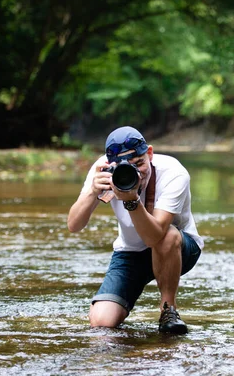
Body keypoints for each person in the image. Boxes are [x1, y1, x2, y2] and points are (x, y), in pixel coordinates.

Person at [67, 126, 203, 334]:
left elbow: (154, 236)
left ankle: (168, 310)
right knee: (101, 322)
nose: (136, 173)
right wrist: (93, 192)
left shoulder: (174, 173)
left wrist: (131, 200)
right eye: (127, 168)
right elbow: (74, 225)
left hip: (178, 250)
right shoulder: (103, 169)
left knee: (167, 236)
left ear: (150, 153)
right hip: (130, 252)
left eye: (140, 163)